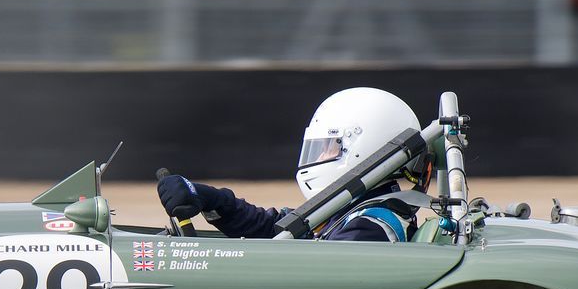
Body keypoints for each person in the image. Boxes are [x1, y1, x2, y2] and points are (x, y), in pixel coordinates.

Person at [157, 87, 431, 242]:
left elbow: (299, 270)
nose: (320, 156)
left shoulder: (370, 228)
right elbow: (278, 230)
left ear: (364, 147)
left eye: (328, 147)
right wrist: (213, 200)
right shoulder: (354, 208)